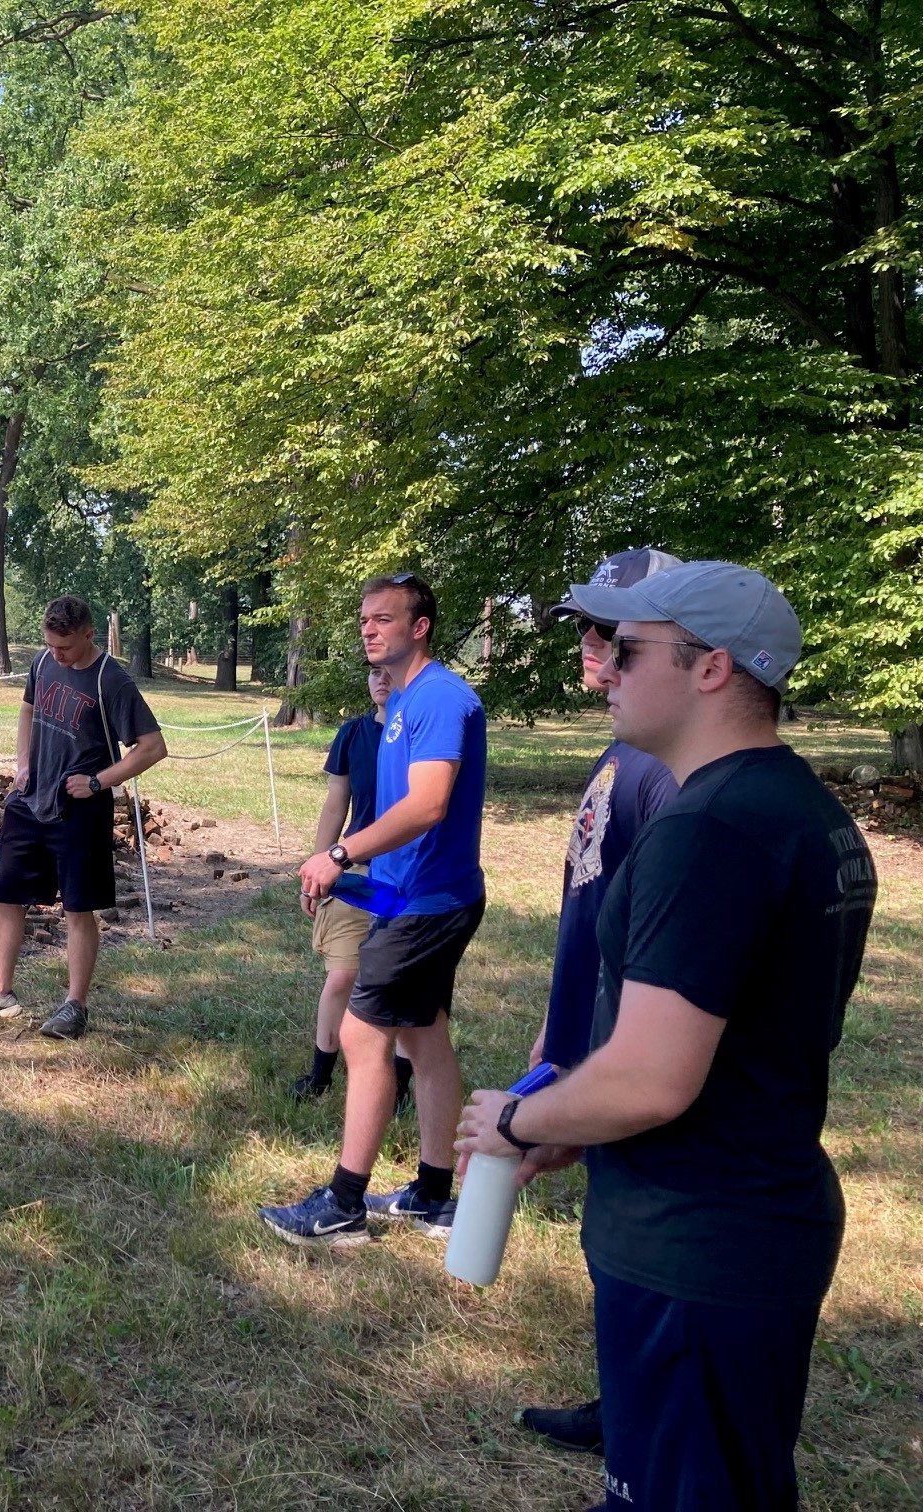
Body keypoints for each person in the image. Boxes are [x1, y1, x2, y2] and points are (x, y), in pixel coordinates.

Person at [457, 562, 876, 1511]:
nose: (602, 667)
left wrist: (519, 1122)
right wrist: (573, 1121)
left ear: (711, 669)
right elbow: (736, 1037)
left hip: (698, 1244)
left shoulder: (712, 829)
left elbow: (653, 1080)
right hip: (748, 1225)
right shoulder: (801, 810)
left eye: (625, 646)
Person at [514, 547, 682, 1458]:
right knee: (612, 1243)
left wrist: (602, 1059)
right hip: (588, 1038)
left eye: (608, 631)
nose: (587, 646)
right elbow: (591, 914)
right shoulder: (626, 752)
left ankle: (646, 1425)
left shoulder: (668, 776)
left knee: (644, 1245)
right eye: (583, 627)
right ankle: (626, 1405)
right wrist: (556, 1032)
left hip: (636, 1056)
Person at [261, 573, 487, 1245]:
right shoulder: (402, 703)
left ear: (419, 627)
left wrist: (336, 855)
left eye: (383, 619)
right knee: (424, 1037)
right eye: (364, 619)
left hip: (429, 903)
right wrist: (356, 880)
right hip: (408, 895)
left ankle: (342, 1204)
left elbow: (427, 806)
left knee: (364, 1036)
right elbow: (398, 821)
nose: (368, 629)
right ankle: (433, 1196)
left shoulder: (439, 698)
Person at [0, 596, 167, 1039]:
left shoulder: (111, 679)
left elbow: (152, 747)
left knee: (77, 908)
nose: (56, 655)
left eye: (65, 648)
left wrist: (99, 782)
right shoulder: (40, 663)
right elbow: (29, 708)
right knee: (5, 893)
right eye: (50, 646)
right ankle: (0, 991)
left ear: (89, 635)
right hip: (30, 799)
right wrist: (23, 764)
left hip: (80, 809)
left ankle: (75, 1005)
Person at [294, 664, 395, 1101]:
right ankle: (320, 1074)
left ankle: (402, 1084)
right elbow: (336, 803)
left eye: (389, 671)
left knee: (399, 984)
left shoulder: (424, 734)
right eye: (373, 672)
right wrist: (317, 867)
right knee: (341, 978)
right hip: (355, 873)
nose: (380, 679)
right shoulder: (353, 733)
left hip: (410, 875)